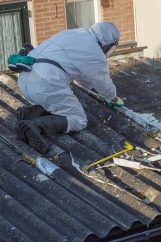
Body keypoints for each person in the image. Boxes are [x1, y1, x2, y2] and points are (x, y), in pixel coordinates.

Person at [16, 22, 124, 154]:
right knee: (78, 119)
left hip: (25, 79)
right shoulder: (95, 52)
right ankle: (34, 126)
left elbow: (83, 74)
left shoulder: (73, 33)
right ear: (108, 45)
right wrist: (113, 98)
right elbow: (102, 82)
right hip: (46, 84)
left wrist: (91, 87)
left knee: (62, 98)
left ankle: (32, 112)